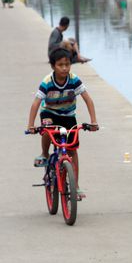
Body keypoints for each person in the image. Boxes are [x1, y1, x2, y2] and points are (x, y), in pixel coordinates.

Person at [27, 47, 99, 199]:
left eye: (67, 64)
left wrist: (93, 122)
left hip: (68, 115)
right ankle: (45, 153)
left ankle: (75, 186)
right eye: (60, 65)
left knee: (72, 150)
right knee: (47, 128)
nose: (64, 68)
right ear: (53, 66)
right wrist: (31, 125)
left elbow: (88, 99)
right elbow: (36, 103)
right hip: (50, 112)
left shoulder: (74, 80)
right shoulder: (47, 82)